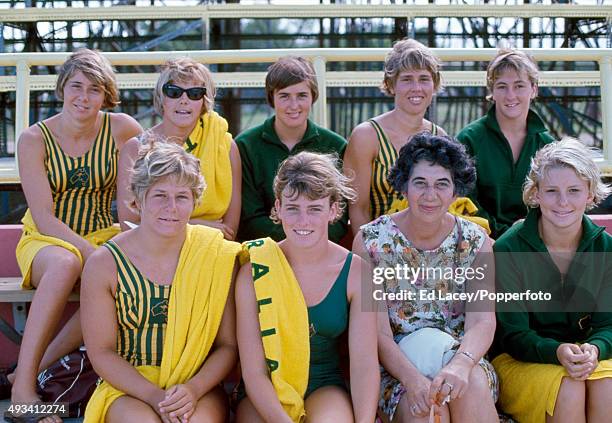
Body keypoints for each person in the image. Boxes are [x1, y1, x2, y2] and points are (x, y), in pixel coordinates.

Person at [4, 48, 142, 418]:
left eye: (94, 90)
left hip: (102, 233)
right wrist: (93, 255)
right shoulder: (34, 139)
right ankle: (22, 388)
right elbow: (44, 217)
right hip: (46, 240)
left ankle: (26, 370)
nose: (83, 97)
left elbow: (144, 183)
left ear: (106, 95)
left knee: (116, 279)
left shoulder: (122, 128)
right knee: (67, 264)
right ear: (61, 89)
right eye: (76, 86)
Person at [81, 139, 241, 423]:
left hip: (197, 386)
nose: (172, 207)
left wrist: (193, 389)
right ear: (138, 199)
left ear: (195, 201)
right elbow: (101, 352)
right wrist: (155, 396)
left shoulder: (213, 254)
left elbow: (227, 346)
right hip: (129, 387)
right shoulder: (104, 263)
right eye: (159, 195)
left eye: (182, 197)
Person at [354, 133, 498, 423]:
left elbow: (482, 322)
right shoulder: (371, 241)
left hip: (461, 359)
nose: (430, 195)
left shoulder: (475, 241)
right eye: (420, 183)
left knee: (469, 386)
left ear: (456, 190)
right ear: (404, 186)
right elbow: (378, 334)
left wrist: (460, 366)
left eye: (442, 184)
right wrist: (412, 379)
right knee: (428, 412)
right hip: (397, 371)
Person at [235, 152, 379, 422]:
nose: (303, 221)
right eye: (293, 208)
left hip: (323, 384)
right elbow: (254, 372)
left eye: (314, 208)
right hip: (267, 389)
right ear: (277, 208)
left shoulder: (358, 272)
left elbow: (364, 364)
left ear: (334, 210)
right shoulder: (253, 270)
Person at [492, 138, 612, 423]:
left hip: (588, 357)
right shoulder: (509, 249)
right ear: (536, 195)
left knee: (606, 384)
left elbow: (609, 324)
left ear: (590, 194)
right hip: (521, 359)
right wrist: (556, 351)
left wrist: (595, 348)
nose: (563, 202)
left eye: (573, 191)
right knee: (568, 387)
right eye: (551, 191)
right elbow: (513, 335)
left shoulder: (605, 247)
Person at [117, 57, 241, 240]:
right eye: (174, 92)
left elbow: (229, 231)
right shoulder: (136, 149)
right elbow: (128, 224)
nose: (184, 100)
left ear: (204, 100)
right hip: (150, 247)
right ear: (161, 97)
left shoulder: (225, 146)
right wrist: (194, 224)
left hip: (210, 246)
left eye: (195, 93)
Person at [236, 56, 348, 243]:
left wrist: (308, 244)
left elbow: (340, 218)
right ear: (271, 98)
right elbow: (249, 219)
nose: (293, 105)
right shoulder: (245, 146)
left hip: (320, 252)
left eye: (302, 95)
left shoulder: (336, 146)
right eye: (284, 96)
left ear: (313, 96)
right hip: (266, 250)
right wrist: (294, 241)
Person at [344, 38, 447, 235]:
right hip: (380, 244)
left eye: (424, 79)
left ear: (434, 86)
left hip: (429, 245)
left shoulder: (439, 137)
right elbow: (358, 210)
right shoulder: (367, 136)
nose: (416, 88)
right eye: (407, 79)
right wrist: (373, 257)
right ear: (391, 85)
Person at [457, 48, 555, 238]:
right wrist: (505, 235)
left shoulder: (548, 147)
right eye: (502, 86)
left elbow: (555, 202)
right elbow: (464, 201)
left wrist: (527, 233)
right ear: (492, 91)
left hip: (535, 243)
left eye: (519, 86)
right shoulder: (468, 139)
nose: (510, 95)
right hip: (480, 241)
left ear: (534, 89)